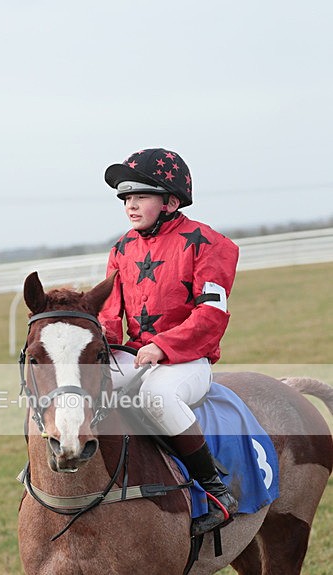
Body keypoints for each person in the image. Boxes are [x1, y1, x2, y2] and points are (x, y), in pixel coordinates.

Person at [99, 147, 239, 535]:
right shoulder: (121, 248)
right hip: (135, 355)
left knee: (156, 397)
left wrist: (164, 346)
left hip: (188, 361)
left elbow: (211, 316)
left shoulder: (208, 243)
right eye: (125, 198)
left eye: (140, 195)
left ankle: (216, 493)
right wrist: (99, 349)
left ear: (170, 201)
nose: (130, 205)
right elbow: (110, 316)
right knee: (76, 389)